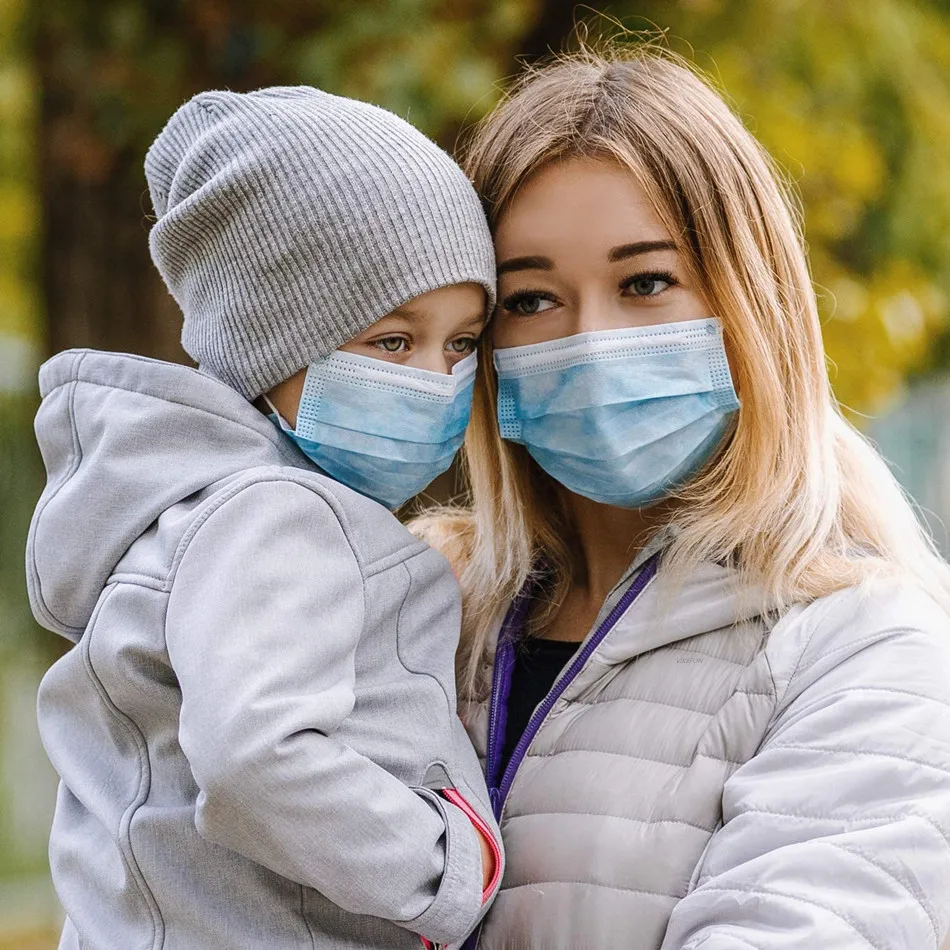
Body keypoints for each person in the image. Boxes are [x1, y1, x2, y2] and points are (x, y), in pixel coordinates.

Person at [413, 45, 950, 949]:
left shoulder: (865, 650)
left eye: (647, 283)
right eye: (532, 298)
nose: (589, 341)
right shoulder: (424, 608)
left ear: (753, 301)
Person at [26, 86, 502, 950]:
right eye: (392, 342)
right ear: (269, 339)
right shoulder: (280, 513)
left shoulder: (183, 506)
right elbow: (254, 757)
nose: (434, 378)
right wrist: (448, 868)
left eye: (461, 343)